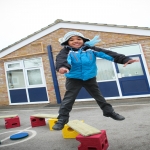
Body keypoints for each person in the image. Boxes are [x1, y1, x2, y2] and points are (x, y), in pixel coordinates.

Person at [52, 31, 139, 130]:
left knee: (99, 96)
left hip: (90, 78)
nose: (76, 41)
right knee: (68, 99)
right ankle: (62, 119)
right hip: (73, 79)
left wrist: (124, 59)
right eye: (71, 40)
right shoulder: (66, 52)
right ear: (67, 43)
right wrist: (62, 67)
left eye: (79, 39)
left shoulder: (90, 49)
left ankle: (109, 112)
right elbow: (61, 60)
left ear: (83, 41)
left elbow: (108, 54)